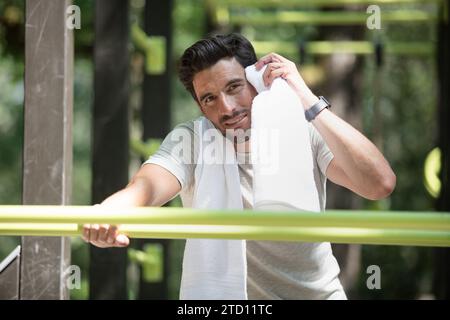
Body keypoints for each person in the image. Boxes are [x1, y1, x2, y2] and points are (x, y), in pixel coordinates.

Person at [82, 33, 396, 299]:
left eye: (234, 88)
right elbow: (144, 188)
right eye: (209, 98)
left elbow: (379, 184)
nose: (227, 108)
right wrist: (106, 214)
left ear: (257, 82)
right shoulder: (193, 139)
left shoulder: (303, 127)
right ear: (200, 106)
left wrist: (305, 96)